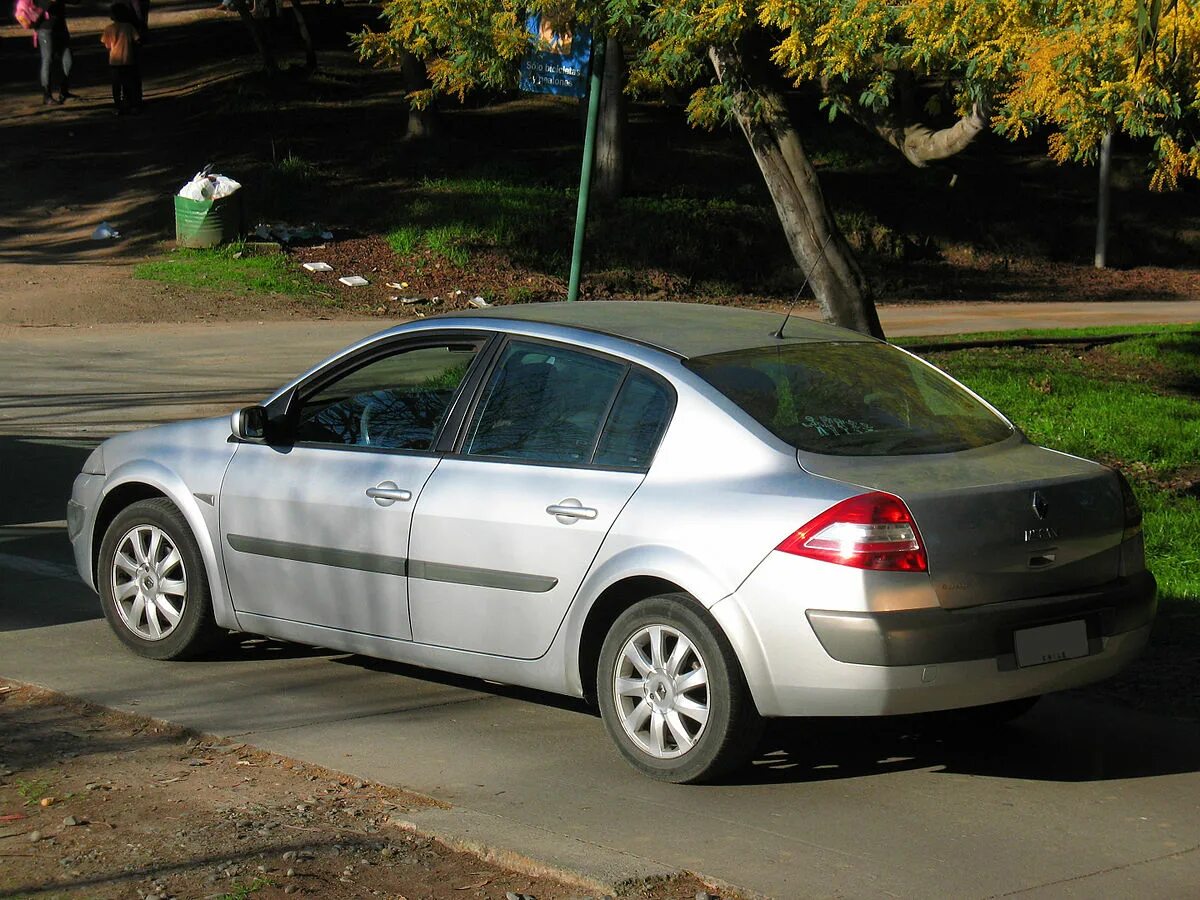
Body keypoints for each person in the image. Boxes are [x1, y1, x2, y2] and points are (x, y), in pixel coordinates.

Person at [32, 0, 76, 105]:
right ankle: (47, 95)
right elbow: (45, 6)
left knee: (68, 60)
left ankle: (64, 91)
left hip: (61, 28)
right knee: (48, 60)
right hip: (45, 28)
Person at [101, 3, 141, 114]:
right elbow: (137, 40)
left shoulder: (109, 29)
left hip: (115, 61)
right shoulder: (129, 27)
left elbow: (107, 45)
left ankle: (118, 106)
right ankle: (130, 104)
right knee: (128, 84)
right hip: (128, 60)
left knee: (116, 85)